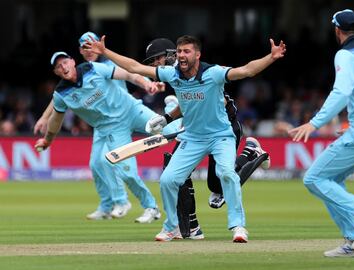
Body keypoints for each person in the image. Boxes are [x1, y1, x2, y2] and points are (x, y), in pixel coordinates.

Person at [85, 34, 286, 242]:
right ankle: (173, 227)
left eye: (186, 51)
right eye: (180, 51)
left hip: (221, 134)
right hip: (193, 136)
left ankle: (238, 226)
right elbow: (135, 68)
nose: (182, 55)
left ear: (197, 55)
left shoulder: (213, 73)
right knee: (168, 179)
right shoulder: (172, 75)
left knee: (224, 175)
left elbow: (246, 70)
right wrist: (105, 52)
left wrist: (271, 57)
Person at [34, 32, 168, 223]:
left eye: (65, 62)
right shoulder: (62, 92)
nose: (63, 67)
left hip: (131, 109)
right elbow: (56, 113)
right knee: (115, 168)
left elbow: (130, 73)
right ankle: (144, 206)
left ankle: (174, 109)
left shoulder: (96, 67)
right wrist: (47, 137)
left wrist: (147, 84)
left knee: (168, 128)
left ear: (72, 61)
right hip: (110, 127)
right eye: (58, 66)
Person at [144, 38, 271, 240]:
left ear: (169, 55)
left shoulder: (203, 70)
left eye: (155, 59)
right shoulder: (174, 74)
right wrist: (167, 118)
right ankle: (187, 227)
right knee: (172, 175)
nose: (153, 65)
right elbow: (189, 104)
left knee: (218, 184)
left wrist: (187, 119)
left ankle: (251, 154)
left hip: (224, 126)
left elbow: (209, 98)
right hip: (196, 132)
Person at [288, 9, 354, 257]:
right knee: (332, 181)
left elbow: (341, 93)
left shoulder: (345, 55)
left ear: (336, 30)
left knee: (313, 179)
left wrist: (314, 123)